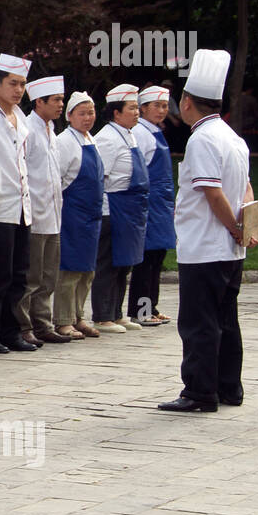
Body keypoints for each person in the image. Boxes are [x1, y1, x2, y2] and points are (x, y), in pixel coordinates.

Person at [158, 49, 258, 412]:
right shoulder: (233, 137)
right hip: (231, 250)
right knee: (226, 320)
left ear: (186, 103)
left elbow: (213, 192)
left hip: (205, 245)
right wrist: (245, 226)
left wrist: (233, 225)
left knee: (199, 323)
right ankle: (229, 388)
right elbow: (246, 186)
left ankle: (199, 392)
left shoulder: (201, 139)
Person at [0, 53, 35, 353]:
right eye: (12, 83)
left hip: (22, 206)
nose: (18, 90)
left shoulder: (20, 117)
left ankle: (12, 331)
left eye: (22, 84)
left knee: (18, 274)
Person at [92, 84, 149, 333]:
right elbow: (99, 178)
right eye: (132, 108)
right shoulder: (107, 138)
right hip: (112, 209)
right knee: (108, 263)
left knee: (124, 262)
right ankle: (102, 315)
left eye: (137, 107)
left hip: (130, 209)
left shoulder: (129, 134)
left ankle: (116, 312)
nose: (137, 112)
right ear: (116, 113)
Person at [17, 74, 69, 345]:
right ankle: (26, 325)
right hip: (35, 213)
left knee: (49, 274)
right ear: (39, 102)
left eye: (62, 99)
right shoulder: (28, 129)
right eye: (56, 99)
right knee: (32, 275)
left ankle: (43, 322)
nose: (61, 104)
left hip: (53, 213)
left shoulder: (52, 131)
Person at [53, 92, 104, 340]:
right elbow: (58, 180)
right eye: (82, 113)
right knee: (69, 270)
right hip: (72, 214)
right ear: (69, 115)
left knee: (87, 271)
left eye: (91, 113)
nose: (87, 118)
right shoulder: (65, 142)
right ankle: (63, 320)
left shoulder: (90, 139)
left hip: (92, 216)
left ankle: (79, 316)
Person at [128, 85, 177, 326]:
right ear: (143, 108)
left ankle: (152, 307)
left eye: (165, 106)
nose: (162, 110)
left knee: (157, 257)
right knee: (146, 259)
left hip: (162, 203)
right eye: (156, 106)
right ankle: (141, 310)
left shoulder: (156, 132)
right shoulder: (142, 133)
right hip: (149, 204)